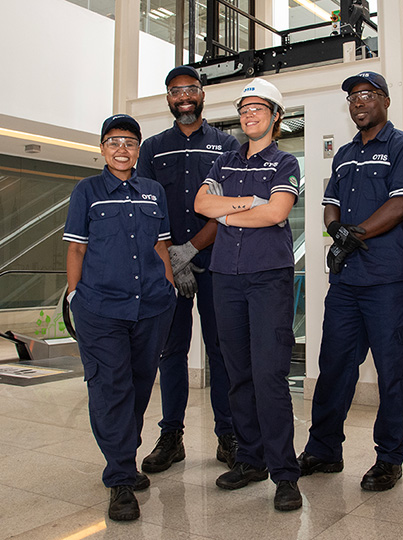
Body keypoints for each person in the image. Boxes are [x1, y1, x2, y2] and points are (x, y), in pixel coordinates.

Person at [298, 71, 403, 492]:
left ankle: (389, 458)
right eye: (353, 97)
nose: (358, 102)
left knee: (391, 370)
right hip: (348, 280)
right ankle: (323, 449)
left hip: (390, 279)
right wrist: (337, 233)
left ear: (385, 101)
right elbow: (330, 204)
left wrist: (357, 235)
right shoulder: (346, 154)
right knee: (333, 365)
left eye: (367, 95)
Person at [194, 78, 303, 511]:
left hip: (268, 279)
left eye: (259, 108)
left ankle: (285, 473)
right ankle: (251, 459)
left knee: (269, 376)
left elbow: (277, 212)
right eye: (244, 109)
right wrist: (249, 204)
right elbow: (203, 205)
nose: (249, 114)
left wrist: (229, 209)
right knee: (237, 372)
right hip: (225, 276)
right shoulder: (223, 161)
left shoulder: (285, 162)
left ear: (276, 116)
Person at [64, 114, 177, 521]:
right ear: (102, 149)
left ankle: (122, 457)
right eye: (113, 142)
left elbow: (162, 247)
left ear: (138, 148)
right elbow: (75, 250)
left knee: (139, 385)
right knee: (110, 388)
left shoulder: (152, 192)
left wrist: (167, 289)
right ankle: (120, 480)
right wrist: (77, 296)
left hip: (151, 306)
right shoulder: (87, 191)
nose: (122, 149)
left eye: (129, 142)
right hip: (101, 309)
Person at [136, 66, 240, 474]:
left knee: (221, 351)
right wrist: (170, 260)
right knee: (171, 352)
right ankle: (171, 436)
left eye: (191, 89)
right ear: (167, 98)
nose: (184, 96)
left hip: (217, 265)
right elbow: (147, 209)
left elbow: (230, 207)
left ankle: (227, 434)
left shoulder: (227, 144)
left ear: (202, 94)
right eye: (175, 91)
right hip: (166, 270)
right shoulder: (153, 147)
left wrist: (190, 250)